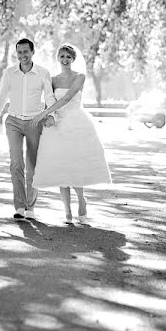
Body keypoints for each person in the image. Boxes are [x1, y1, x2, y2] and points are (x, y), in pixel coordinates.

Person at [31, 44, 112, 224]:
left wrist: (44, 113)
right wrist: (48, 116)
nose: (65, 60)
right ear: (58, 58)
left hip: (76, 122)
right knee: (61, 166)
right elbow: (49, 100)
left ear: (73, 59)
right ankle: (67, 211)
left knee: (75, 165)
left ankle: (81, 201)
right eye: (62, 57)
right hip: (57, 125)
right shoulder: (52, 79)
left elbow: (67, 99)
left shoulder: (79, 77)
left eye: (68, 57)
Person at [0, 38, 58, 220]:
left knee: (32, 166)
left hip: (35, 122)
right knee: (16, 163)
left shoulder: (43, 73)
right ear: (16, 54)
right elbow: (0, 97)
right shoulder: (9, 73)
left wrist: (52, 115)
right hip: (14, 122)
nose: (22, 56)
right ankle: (19, 206)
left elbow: (49, 97)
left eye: (26, 52)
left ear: (32, 52)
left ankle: (30, 208)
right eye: (19, 52)